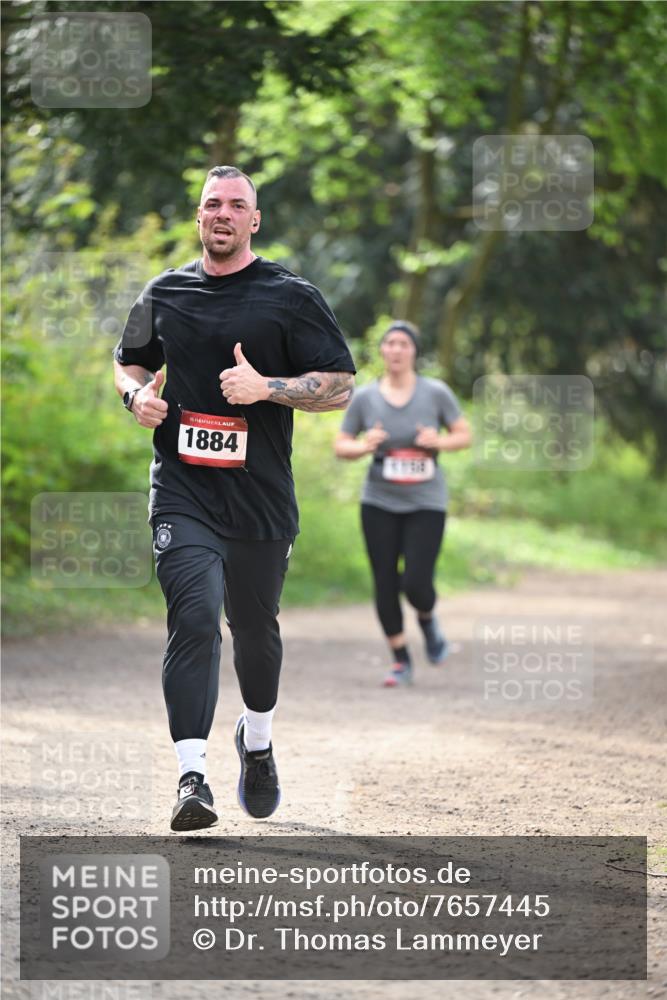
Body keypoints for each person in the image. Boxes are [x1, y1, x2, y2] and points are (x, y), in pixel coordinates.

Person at [113, 165, 356, 831]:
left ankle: (256, 739)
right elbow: (128, 359)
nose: (222, 213)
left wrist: (268, 389)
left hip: (260, 500)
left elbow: (339, 386)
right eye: (211, 203)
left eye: (236, 205)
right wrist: (137, 395)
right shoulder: (164, 291)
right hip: (182, 490)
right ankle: (191, 778)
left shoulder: (290, 296)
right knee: (194, 616)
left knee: (254, 631)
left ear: (254, 221)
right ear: (198, 217)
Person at [334, 321, 471, 687]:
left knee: (416, 581)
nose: (396, 350)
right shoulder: (365, 397)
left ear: (414, 351)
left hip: (426, 500)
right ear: (382, 351)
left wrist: (437, 442)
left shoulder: (435, 393)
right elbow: (341, 444)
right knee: (384, 580)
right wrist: (364, 446)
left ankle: (427, 619)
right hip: (379, 500)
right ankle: (400, 660)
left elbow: (464, 434)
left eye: (403, 344)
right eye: (390, 343)